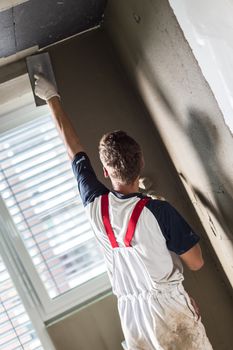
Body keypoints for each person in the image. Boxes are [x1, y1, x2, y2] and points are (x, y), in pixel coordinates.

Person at [34, 75, 213, 350]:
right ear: (141, 162)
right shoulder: (158, 211)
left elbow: (74, 152)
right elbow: (196, 262)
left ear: (105, 172)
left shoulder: (95, 204)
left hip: (132, 318)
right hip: (169, 310)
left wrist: (51, 99)